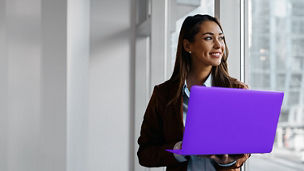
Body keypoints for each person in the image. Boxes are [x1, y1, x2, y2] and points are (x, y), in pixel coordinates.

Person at [137, 14, 250, 171]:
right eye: (209, 38)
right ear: (188, 45)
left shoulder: (237, 91)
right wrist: (181, 148)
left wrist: (228, 160)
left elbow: (245, 148)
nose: (219, 45)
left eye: (221, 38)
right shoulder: (164, 94)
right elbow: (145, 154)